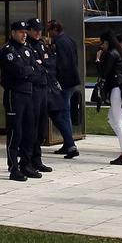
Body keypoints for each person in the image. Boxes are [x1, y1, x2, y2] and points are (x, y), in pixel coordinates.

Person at [0, 20, 40, 181]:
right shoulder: (7, 51)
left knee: (29, 132)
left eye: (25, 32)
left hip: (28, 94)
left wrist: (29, 70)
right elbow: (19, 71)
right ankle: (13, 168)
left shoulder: (27, 49)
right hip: (14, 94)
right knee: (15, 132)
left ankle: (26, 164)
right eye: (21, 32)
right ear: (13, 33)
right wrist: (30, 70)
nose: (24, 35)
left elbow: (37, 71)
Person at [98, 31, 122, 166]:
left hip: (118, 88)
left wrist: (98, 59)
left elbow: (104, 73)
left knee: (119, 122)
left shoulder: (112, 53)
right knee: (112, 118)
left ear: (106, 42)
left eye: (102, 43)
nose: (101, 46)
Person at [24, 18, 54, 173]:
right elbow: (33, 68)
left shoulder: (41, 44)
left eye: (39, 30)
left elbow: (48, 64)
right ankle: (28, 160)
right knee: (32, 127)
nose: (38, 33)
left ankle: (37, 159)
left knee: (42, 126)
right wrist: (40, 66)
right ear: (28, 30)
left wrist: (42, 65)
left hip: (43, 88)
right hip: (33, 89)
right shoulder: (26, 46)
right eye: (34, 30)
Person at [47, 20, 80, 159]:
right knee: (64, 113)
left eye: (49, 30)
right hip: (72, 80)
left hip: (63, 82)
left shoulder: (58, 43)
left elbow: (60, 63)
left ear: (55, 29)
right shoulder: (69, 40)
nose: (48, 33)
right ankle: (68, 143)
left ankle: (70, 144)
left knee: (60, 113)